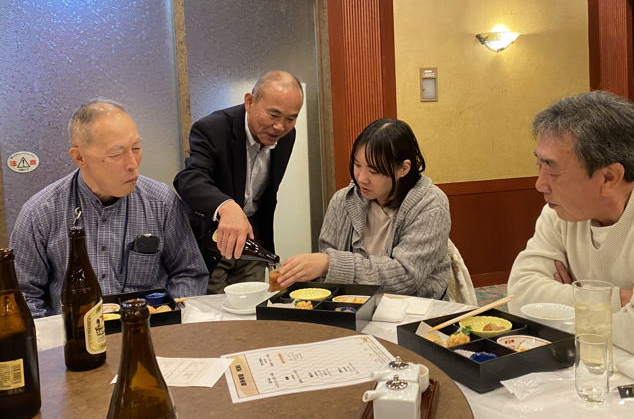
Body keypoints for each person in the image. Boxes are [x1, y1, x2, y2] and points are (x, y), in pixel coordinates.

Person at [507, 91, 634, 377]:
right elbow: (520, 296)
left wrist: (562, 304)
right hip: (588, 372)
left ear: (609, 177)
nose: (540, 184)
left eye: (552, 169)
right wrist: (616, 300)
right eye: (539, 164)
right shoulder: (561, 211)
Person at [10, 100, 209, 318]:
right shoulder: (40, 213)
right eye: (116, 154)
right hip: (75, 333)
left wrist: (168, 318)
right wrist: (59, 334)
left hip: (147, 329)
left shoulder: (161, 202)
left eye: (136, 148)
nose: (132, 164)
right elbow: (24, 295)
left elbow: (189, 273)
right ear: (79, 157)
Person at [278, 118, 451, 299]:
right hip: (351, 306)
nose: (361, 178)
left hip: (418, 308)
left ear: (403, 169)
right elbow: (326, 273)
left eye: (374, 171)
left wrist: (331, 264)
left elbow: (405, 277)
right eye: (357, 165)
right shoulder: (342, 201)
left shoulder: (430, 205)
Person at [174, 70, 303, 291]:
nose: (280, 127)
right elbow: (190, 179)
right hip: (212, 242)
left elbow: (266, 195)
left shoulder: (286, 136)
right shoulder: (213, 128)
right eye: (273, 115)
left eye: (290, 119)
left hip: (252, 241)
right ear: (249, 101)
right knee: (213, 307)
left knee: (253, 304)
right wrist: (226, 207)